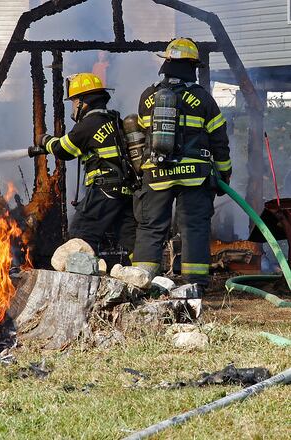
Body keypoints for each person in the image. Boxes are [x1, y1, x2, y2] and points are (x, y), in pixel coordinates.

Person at [132, 38, 232, 294]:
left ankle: (142, 283)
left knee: (151, 227)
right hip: (194, 177)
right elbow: (219, 140)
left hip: (157, 173)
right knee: (194, 227)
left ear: (166, 63)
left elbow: (142, 135)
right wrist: (224, 174)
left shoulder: (148, 96)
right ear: (192, 66)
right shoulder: (203, 98)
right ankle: (195, 285)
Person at [34, 73, 137, 257]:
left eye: (74, 102)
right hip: (126, 191)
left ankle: (80, 279)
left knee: (80, 236)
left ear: (83, 101)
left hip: (104, 190)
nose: (73, 108)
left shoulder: (89, 123)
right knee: (130, 240)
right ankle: (143, 276)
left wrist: (44, 140)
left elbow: (63, 149)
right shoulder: (115, 120)